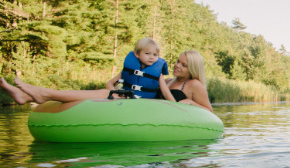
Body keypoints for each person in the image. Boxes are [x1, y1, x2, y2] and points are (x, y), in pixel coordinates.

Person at [1, 44, 213, 112]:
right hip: (139, 105)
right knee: (106, 92)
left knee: (106, 94)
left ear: (192, 68)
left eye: (183, 65)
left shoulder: (194, 84)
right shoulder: (168, 80)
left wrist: (192, 101)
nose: (177, 65)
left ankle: (41, 93)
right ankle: (27, 97)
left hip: (145, 109)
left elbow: (210, 112)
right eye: (177, 61)